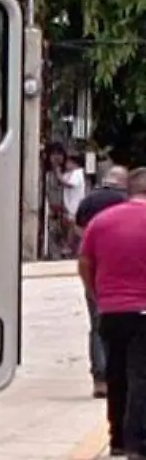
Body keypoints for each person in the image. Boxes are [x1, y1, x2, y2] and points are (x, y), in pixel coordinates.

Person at [80, 167, 146, 460]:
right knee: (141, 374)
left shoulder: (101, 222)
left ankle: (117, 438)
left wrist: (96, 294)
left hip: (112, 310)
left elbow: (84, 262)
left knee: (116, 374)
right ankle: (137, 442)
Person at [78, 165, 131, 397]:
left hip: (96, 270)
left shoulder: (89, 201)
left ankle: (100, 379)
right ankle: (122, 374)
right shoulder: (127, 202)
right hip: (124, 272)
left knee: (97, 326)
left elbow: (78, 229)